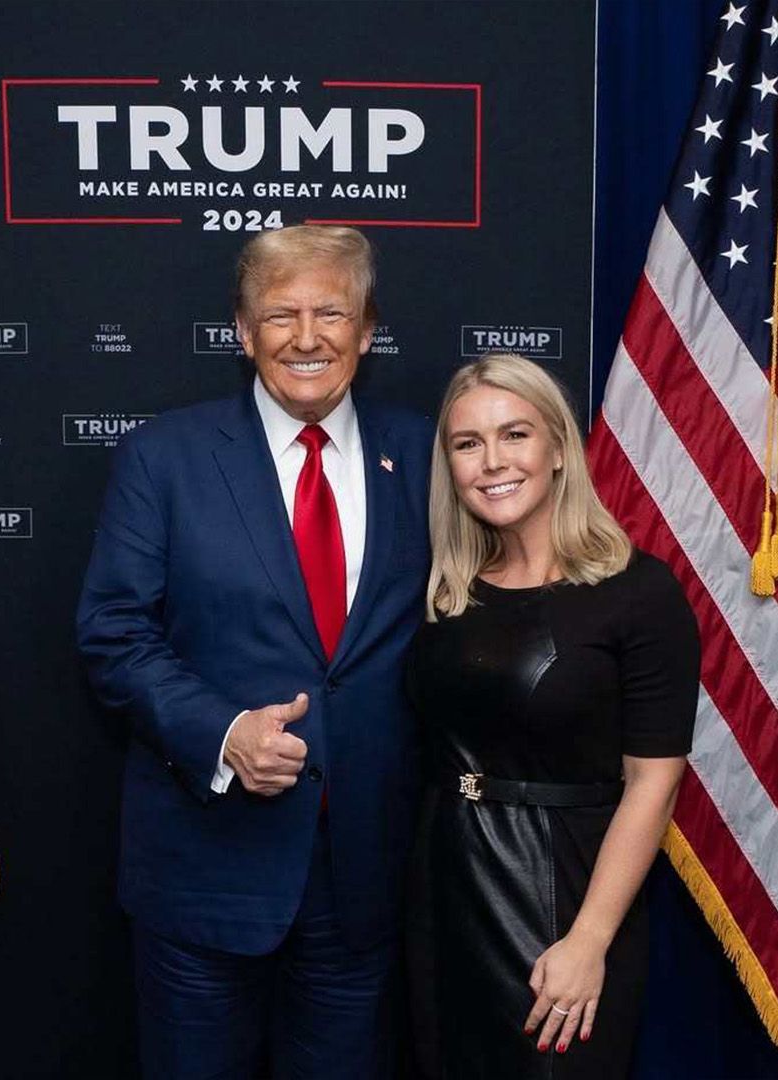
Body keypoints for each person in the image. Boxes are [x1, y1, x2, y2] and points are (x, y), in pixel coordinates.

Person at [76, 225, 434, 1078]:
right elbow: (113, 633)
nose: (307, 337)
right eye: (280, 315)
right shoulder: (164, 458)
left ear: (368, 328)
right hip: (205, 870)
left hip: (365, 878)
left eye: (331, 312)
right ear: (242, 332)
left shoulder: (428, 455)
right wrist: (224, 730)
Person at [403, 353, 700, 1078]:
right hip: (445, 890)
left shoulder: (638, 592)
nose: (491, 462)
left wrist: (589, 940)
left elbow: (653, 783)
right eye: (467, 444)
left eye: (515, 435)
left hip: (562, 895)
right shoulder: (450, 593)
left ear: (560, 449)